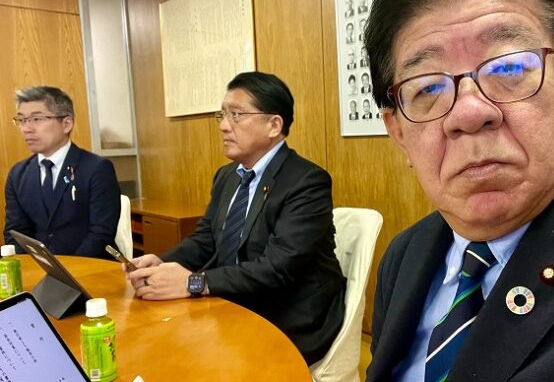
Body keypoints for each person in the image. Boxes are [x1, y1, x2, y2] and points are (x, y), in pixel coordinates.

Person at [363, 0, 554, 381]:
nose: (468, 113)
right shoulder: (404, 254)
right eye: (426, 88)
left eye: (508, 67)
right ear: (399, 133)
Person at [125, 72, 346, 366]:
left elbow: (278, 268)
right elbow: (205, 240)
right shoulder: (227, 176)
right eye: (223, 114)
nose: (224, 126)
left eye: (237, 115)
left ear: (274, 125)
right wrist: (161, 264)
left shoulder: (306, 181)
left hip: (288, 313)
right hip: (232, 299)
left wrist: (193, 282)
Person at [4, 86, 121, 258]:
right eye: (22, 120)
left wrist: (64, 271)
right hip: (38, 268)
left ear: (66, 124)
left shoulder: (97, 168)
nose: (27, 128)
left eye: (37, 119)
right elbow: (15, 233)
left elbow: (101, 234)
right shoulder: (18, 174)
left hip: (90, 266)